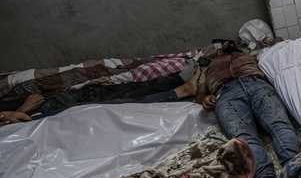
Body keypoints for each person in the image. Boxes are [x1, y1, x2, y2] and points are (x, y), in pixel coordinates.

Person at [196, 40, 301, 178]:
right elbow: (200, 94)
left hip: (258, 84)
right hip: (224, 93)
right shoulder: (208, 68)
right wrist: (206, 98)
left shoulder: (251, 55)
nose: (224, 46)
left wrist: (271, 41)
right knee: (242, 136)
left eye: (226, 43)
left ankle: (296, 172)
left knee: (279, 125)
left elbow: (279, 45)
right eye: (220, 45)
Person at [0, 69, 203, 126]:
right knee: (108, 108)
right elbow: (21, 120)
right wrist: (17, 112)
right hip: (37, 115)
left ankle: (176, 80)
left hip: (48, 103)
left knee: (107, 92)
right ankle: (181, 90)